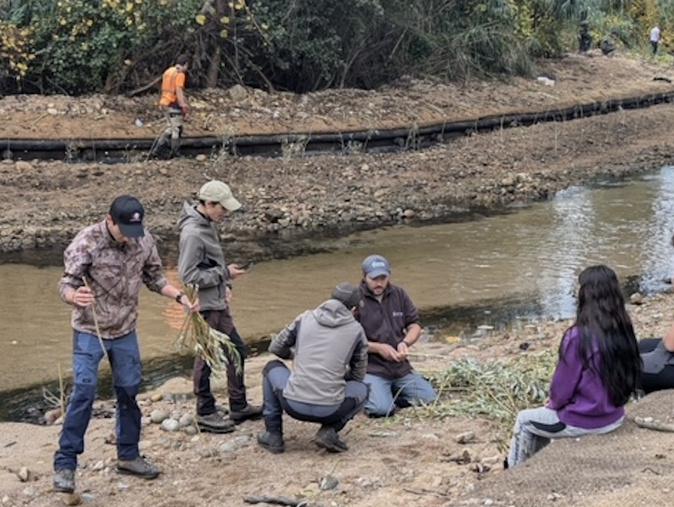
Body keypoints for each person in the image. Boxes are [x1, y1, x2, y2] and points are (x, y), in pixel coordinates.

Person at [53, 195, 198, 494]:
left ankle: (128, 456)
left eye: (135, 230)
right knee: (84, 392)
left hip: (125, 330)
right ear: (110, 220)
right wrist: (73, 296)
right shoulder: (87, 242)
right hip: (89, 330)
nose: (130, 237)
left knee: (129, 392)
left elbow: (155, 278)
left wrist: (180, 297)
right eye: (123, 230)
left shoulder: (143, 239)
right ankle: (65, 464)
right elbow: (66, 283)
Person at [506, 265, 641, 468]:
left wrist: (552, 404)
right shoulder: (623, 327)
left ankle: (514, 474)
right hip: (615, 415)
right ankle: (536, 466)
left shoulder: (578, 336)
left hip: (586, 419)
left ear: (586, 294)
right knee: (541, 421)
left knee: (524, 420)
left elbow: (561, 390)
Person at [178, 180, 262, 433]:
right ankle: (204, 411)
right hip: (204, 307)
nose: (225, 213)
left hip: (216, 301)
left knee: (236, 349)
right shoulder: (193, 233)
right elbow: (188, 276)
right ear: (208, 204)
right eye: (222, 209)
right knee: (207, 357)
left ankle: (238, 404)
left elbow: (210, 265)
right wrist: (224, 274)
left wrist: (225, 283)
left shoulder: (207, 225)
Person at [257, 283, 368, 454]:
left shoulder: (305, 318)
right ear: (353, 309)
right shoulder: (356, 330)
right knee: (363, 389)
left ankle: (273, 434)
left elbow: (276, 347)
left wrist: (297, 356)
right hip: (330, 410)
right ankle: (329, 430)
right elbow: (358, 375)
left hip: (292, 405)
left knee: (271, 367)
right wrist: (338, 374)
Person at [355, 255, 436, 417]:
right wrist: (378, 348)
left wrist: (405, 343)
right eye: (374, 279)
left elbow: (414, 325)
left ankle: (388, 394)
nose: (379, 283)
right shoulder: (354, 299)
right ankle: (370, 393)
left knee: (429, 398)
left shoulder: (399, 294)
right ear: (364, 277)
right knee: (381, 410)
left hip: (400, 369)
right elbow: (347, 340)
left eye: (383, 278)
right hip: (371, 369)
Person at [152, 54, 190, 158]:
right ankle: (175, 153)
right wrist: (184, 106)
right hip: (172, 104)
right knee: (176, 129)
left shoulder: (168, 71)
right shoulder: (180, 74)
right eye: (187, 66)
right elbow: (179, 91)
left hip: (164, 102)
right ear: (185, 64)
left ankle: (157, 150)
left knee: (170, 127)